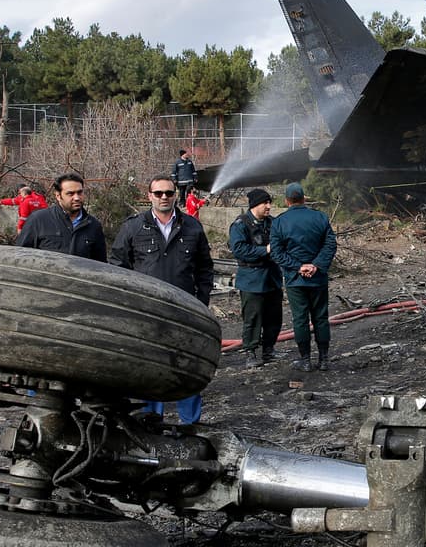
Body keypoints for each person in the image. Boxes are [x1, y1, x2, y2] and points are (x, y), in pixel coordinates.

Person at [110, 175, 214, 424]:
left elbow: (204, 269)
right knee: (147, 367)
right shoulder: (133, 227)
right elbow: (117, 266)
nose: (164, 197)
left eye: (168, 192)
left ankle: (189, 424)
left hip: (185, 311)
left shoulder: (192, 227)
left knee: (187, 367)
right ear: (149, 196)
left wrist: (201, 301)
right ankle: (149, 421)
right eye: (158, 193)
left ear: (175, 195)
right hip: (146, 312)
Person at [270, 181, 337, 372]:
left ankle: (305, 359)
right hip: (318, 278)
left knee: (300, 319)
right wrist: (316, 265)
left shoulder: (280, 222)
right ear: (303, 198)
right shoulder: (320, 217)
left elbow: (276, 252)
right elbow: (330, 245)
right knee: (321, 317)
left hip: (295, 279)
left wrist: (298, 267)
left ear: (287, 201)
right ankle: (324, 359)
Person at [230, 188, 283, 367]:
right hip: (252, 279)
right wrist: (265, 250)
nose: (269, 206)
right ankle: (250, 352)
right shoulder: (240, 225)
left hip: (272, 277)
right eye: (265, 203)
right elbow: (239, 250)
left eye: (269, 202)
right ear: (254, 205)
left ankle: (269, 350)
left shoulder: (273, 223)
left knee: (274, 317)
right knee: (252, 318)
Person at [16, 173, 107, 261]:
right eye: (70, 194)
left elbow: (100, 265)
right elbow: (20, 257)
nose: (77, 198)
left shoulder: (93, 225)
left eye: (79, 193)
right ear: (58, 196)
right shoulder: (39, 220)